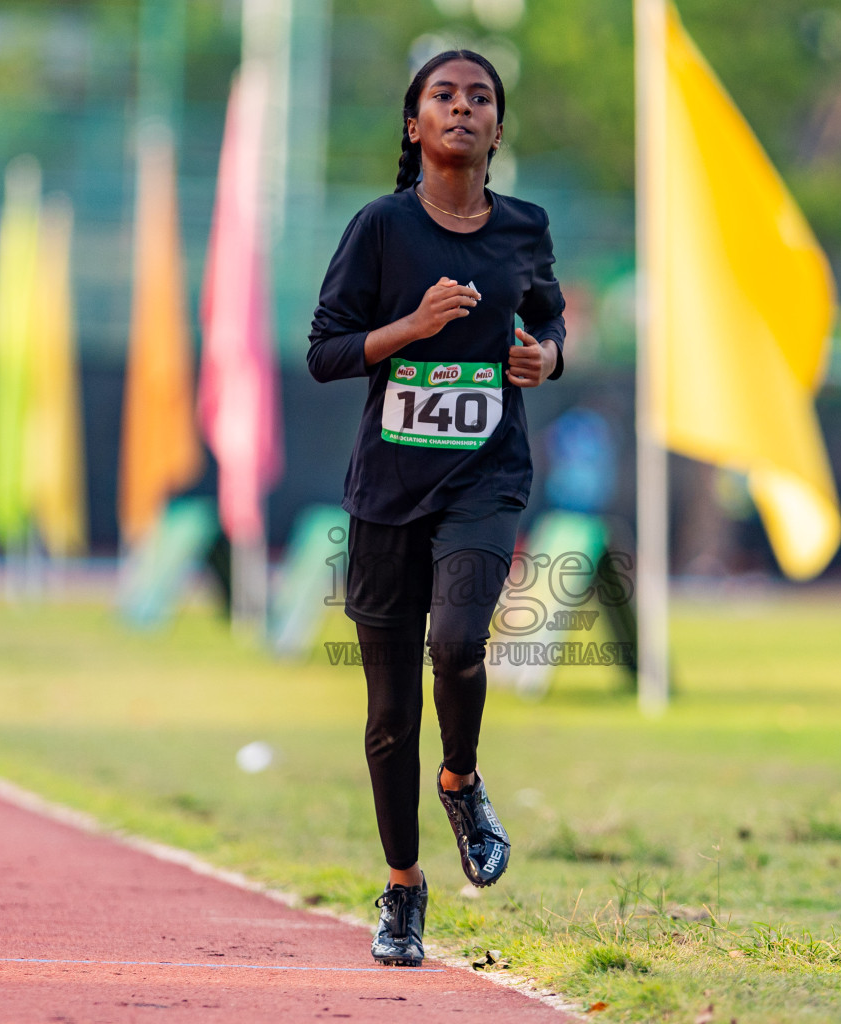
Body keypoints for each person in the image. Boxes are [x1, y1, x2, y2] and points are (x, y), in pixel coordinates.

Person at [306, 49, 566, 967]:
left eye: (480, 98)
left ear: (497, 129)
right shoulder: (379, 228)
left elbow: (549, 322)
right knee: (387, 717)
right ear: (414, 125)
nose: (462, 108)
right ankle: (404, 890)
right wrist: (411, 329)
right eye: (443, 97)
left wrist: (546, 358)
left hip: (486, 481)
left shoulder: (525, 229)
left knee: (457, 643)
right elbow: (325, 352)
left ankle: (462, 780)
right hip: (388, 494)